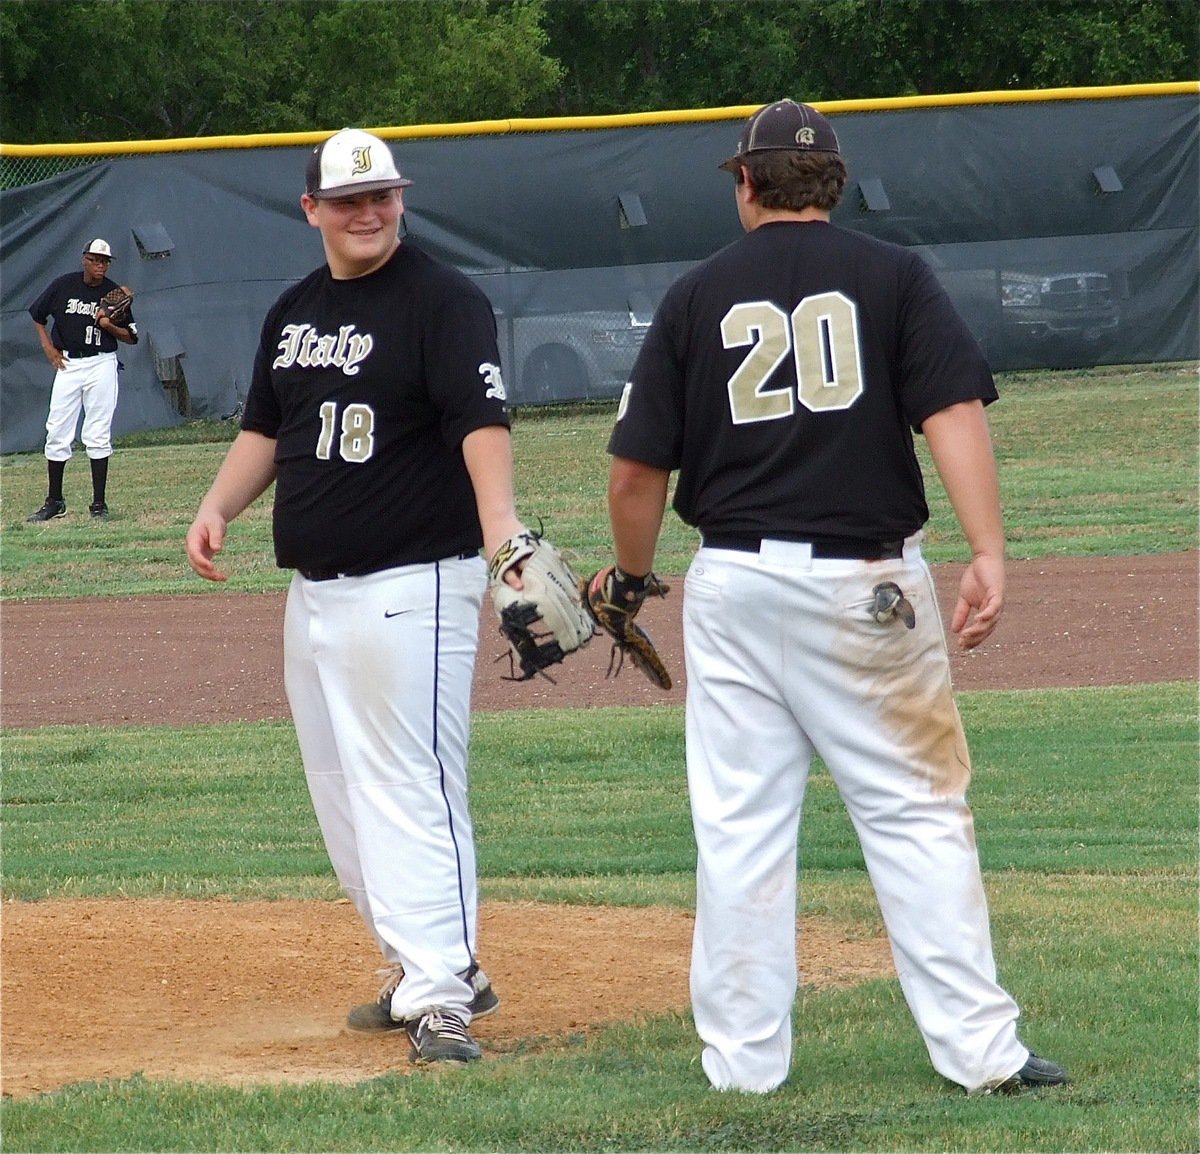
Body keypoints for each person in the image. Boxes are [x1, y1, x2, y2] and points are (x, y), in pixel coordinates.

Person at [601, 100, 1069, 1096]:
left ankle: (742, 1067)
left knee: (739, 827)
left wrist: (634, 575)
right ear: (836, 184)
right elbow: (950, 411)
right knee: (916, 813)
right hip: (866, 587)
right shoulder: (893, 275)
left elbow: (636, 473)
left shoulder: (695, 296)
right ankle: (983, 1053)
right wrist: (987, 547)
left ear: (746, 184)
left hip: (732, 583)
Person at [185, 128, 527, 1065]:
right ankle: (427, 963)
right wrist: (218, 503)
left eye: (382, 196)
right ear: (312, 211)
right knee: (342, 791)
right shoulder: (295, 310)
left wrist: (502, 533)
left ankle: (444, 999)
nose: (368, 212)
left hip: (414, 580)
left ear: (401, 201)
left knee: (411, 787)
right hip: (316, 594)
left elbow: (481, 422)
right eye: (347, 200)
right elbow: (269, 425)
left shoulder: (444, 302)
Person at [26, 238, 138, 522]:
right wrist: (48, 348)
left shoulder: (113, 292)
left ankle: (98, 504)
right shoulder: (64, 285)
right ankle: (54, 501)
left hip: (101, 363)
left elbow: (132, 337)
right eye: (95, 259)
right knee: (57, 429)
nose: (100, 265)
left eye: (105, 261)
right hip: (69, 363)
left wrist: (109, 324)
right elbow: (37, 315)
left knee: (98, 432)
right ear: (84, 259)